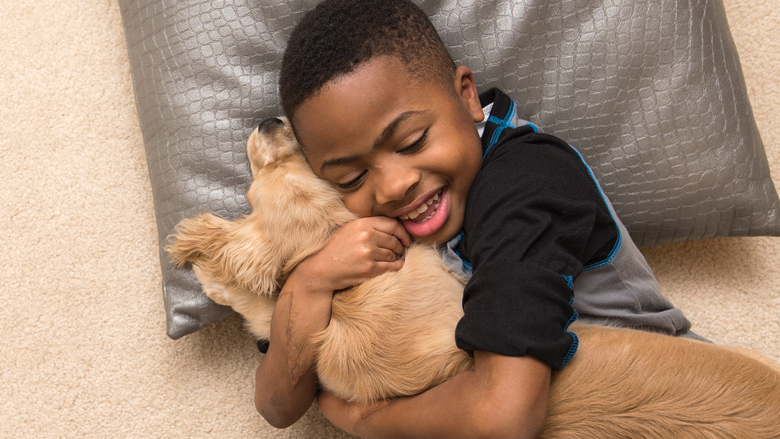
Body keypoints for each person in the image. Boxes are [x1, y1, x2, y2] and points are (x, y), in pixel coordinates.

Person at [254, 0, 696, 437]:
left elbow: (502, 418)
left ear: (467, 96)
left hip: (667, 408)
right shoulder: (353, 232)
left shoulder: (528, 183)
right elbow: (277, 404)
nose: (393, 187)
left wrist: (364, 419)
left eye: (411, 141)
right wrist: (311, 280)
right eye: (352, 176)